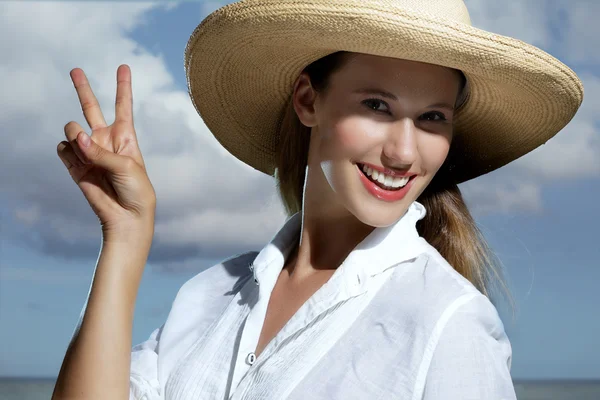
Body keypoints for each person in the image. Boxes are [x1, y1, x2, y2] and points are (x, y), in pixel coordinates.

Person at [51, 0, 583, 399]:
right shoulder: (209, 296)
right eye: (377, 105)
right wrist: (124, 236)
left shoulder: (449, 323)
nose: (402, 152)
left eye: (432, 118)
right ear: (308, 100)